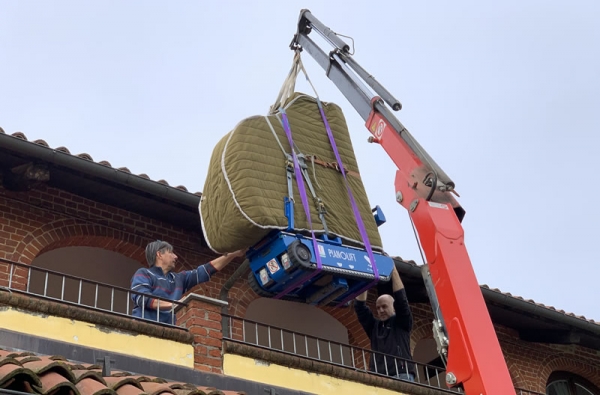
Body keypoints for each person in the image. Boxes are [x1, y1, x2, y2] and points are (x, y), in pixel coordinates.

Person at [130, 240, 246, 325]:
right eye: (171, 252)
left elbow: (205, 270)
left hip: (168, 331)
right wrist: (174, 304)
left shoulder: (178, 278)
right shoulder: (144, 273)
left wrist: (232, 254)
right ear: (159, 254)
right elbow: (142, 297)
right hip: (142, 328)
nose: (176, 256)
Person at [354, 265, 416, 381]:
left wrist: (392, 268)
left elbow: (401, 300)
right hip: (378, 378)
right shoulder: (374, 327)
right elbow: (359, 308)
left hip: (401, 375)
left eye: (384, 306)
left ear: (394, 308)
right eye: (378, 308)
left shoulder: (401, 322)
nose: (380, 310)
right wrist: (366, 276)